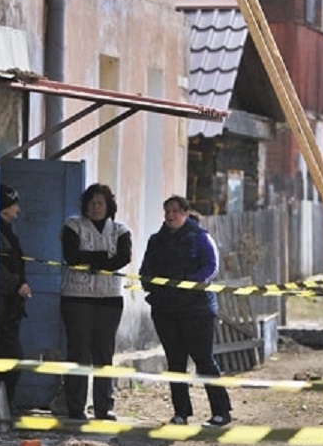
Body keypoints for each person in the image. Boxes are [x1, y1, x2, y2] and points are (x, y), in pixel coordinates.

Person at [139, 195, 232, 427]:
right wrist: (149, 285)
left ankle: (221, 412)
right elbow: (145, 268)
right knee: (175, 362)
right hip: (165, 309)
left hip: (196, 309)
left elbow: (211, 267)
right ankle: (181, 413)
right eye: (167, 211)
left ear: (186, 213)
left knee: (203, 360)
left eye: (175, 211)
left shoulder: (200, 238)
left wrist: (188, 282)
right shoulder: (156, 240)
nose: (170, 215)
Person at [60, 183, 132, 421]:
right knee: (78, 352)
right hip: (77, 297)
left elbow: (123, 258)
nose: (95, 207)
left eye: (100, 202)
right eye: (91, 202)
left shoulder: (120, 230)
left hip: (110, 299)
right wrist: (104, 258)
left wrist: (91, 260)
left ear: (109, 205)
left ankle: (104, 407)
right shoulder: (73, 226)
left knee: (104, 353)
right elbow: (71, 256)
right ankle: (76, 407)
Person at [0, 184, 32, 409]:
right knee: (11, 357)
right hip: (2, 307)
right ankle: (4, 408)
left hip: (10, 308)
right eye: (14, 203)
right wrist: (16, 285)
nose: (18, 208)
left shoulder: (7, 231)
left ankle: (5, 407)